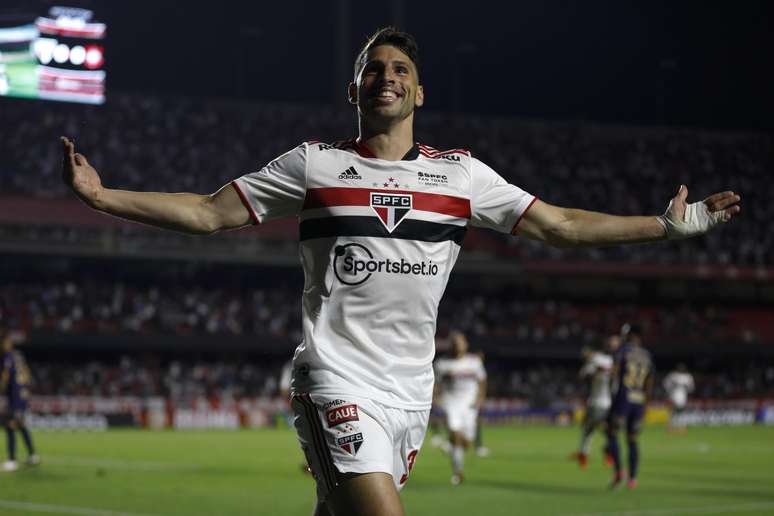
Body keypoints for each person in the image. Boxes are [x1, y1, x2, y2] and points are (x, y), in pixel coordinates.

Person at [61, 26, 741, 516]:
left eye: (399, 69)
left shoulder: (461, 176)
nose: (386, 76)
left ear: (419, 91)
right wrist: (103, 196)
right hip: (336, 376)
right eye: (373, 67)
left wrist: (662, 225)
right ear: (353, 87)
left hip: (412, 394)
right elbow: (209, 213)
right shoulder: (314, 165)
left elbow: (558, 224)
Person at [433, 331, 486, 485]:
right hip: (451, 403)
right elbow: (435, 384)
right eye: (454, 342)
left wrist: (480, 398)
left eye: (460, 342)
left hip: (469, 405)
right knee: (455, 434)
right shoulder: (441, 364)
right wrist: (434, 397)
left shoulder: (474, 362)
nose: (457, 345)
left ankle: (451, 447)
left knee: (467, 442)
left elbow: (482, 381)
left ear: (466, 344)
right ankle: (458, 473)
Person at [606, 324, 653, 489]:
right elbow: (649, 382)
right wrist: (646, 403)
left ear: (630, 335)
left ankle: (619, 471)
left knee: (612, 433)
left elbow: (614, 374)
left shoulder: (623, 351)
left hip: (623, 399)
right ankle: (632, 479)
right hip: (639, 400)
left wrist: (610, 396)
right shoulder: (647, 355)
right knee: (632, 439)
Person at [572, 334, 618, 469]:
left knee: (592, 429)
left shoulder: (602, 360)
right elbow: (584, 375)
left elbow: (583, 375)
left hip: (603, 402)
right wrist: (598, 372)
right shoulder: (604, 359)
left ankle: (586, 455)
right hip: (599, 402)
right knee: (593, 429)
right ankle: (592, 454)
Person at [1, 330, 39, 472]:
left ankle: (11, 461)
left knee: (10, 426)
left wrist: (3, 389)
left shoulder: (8, 357)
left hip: (15, 398)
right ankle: (33, 456)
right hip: (23, 395)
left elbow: (6, 378)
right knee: (21, 425)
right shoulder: (19, 356)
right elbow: (27, 375)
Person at [663, 363, 695, 433]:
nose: (681, 369)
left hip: (683, 396)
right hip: (673, 395)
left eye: (682, 368)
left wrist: (686, 388)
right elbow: (666, 384)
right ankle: (671, 427)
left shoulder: (688, 377)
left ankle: (680, 427)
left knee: (680, 411)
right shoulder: (672, 376)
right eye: (680, 368)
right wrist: (670, 389)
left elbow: (691, 388)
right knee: (673, 411)